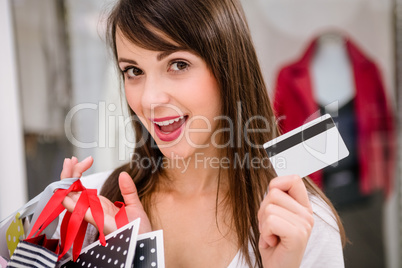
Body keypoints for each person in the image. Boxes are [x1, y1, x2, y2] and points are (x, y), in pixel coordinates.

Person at [60, 0, 345, 267]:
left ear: (228, 69)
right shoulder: (97, 207)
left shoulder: (304, 223)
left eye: (178, 65)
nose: (149, 99)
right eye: (133, 70)